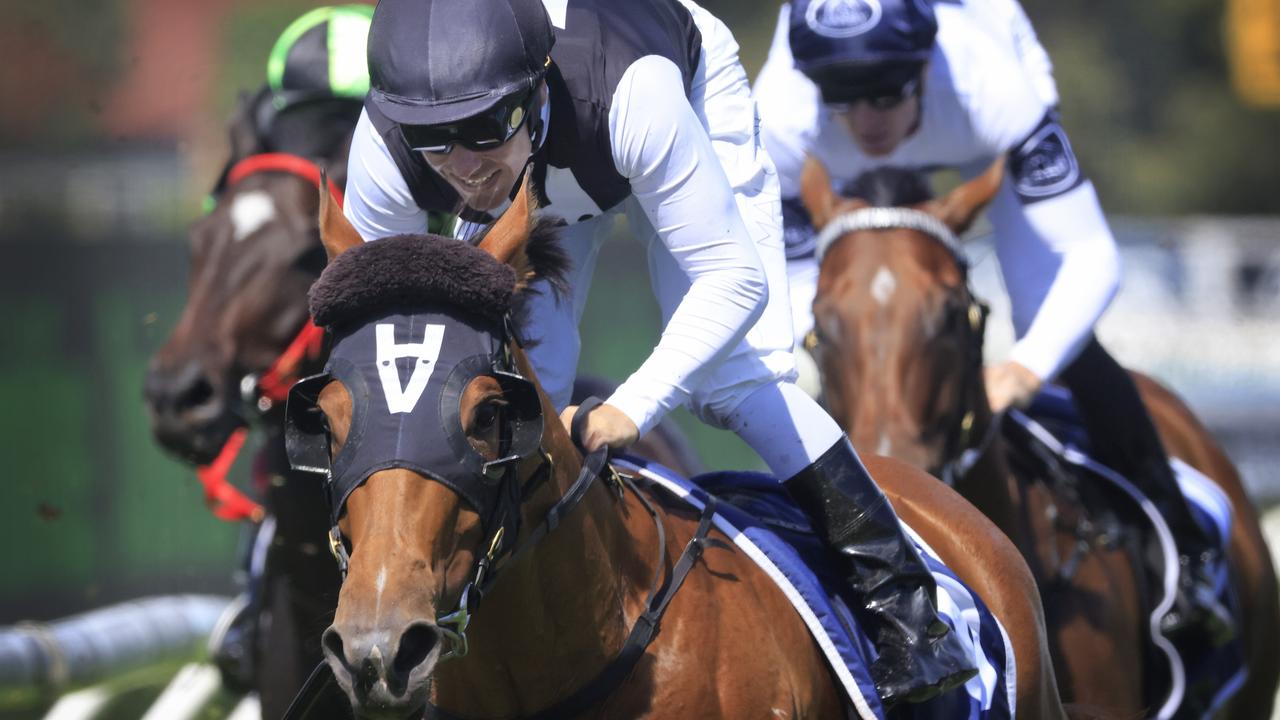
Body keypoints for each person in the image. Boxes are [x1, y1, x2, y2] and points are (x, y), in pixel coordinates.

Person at [343, 0, 976, 704]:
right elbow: (397, 356)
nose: (464, 168)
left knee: (732, 380)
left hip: (665, 107)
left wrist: (631, 408)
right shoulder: (386, 144)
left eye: (486, 127)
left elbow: (736, 280)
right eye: (436, 139)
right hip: (555, 163)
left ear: (536, 86)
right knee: (521, 389)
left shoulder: (636, 94)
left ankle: (906, 607)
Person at [754, 0, 1233, 645]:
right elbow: (790, 289)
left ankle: (1182, 542)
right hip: (826, 165)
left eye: (885, 92)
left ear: (924, 68)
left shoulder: (992, 89)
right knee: (829, 342)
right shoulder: (783, 113)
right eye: (843, 96)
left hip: (980, 126)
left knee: (1049, 319)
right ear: (813, 82)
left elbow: (1089, 260)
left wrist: (1026, 367)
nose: (867, 119)